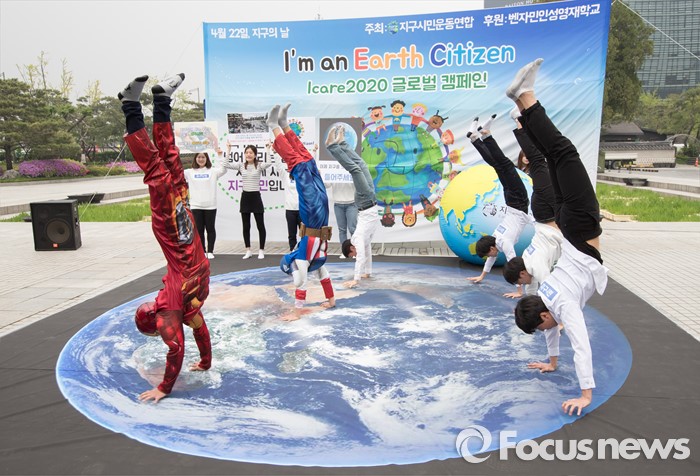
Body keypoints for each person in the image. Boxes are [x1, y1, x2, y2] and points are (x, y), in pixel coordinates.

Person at [508, 58, 608, 416]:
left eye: (543, 327)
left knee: (562, 153)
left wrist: (585, 395)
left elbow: (580, 346)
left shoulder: (559, 305)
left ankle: (526, 97)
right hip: (566, 226)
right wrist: (551, 362)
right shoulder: (544, 294)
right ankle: (521, 114)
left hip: (579, 228)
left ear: (543, 316)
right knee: (551, 159)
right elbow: (553, 331)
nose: (549, 330)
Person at [118, 73, 211, 403]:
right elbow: (199, 332)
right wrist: (206, 361)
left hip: (173, 234)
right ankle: (161, 99)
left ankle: (130, 106)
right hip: (186, 227)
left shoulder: (171, 305)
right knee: (172, 164)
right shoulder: (186, 310)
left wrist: (163, 388)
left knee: (157, 172)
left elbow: (175, 348)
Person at [268, 103, 336, 321]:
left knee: (298, 163)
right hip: (320, 216)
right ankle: (284, 125)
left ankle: (275, 126)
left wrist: (296, 312)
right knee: (309, 162)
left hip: (312, 213)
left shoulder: (301, 259)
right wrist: (331, 300)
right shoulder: (315, 260)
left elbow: (301, 283)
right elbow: (323, 277)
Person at [466, 114, 532, 294]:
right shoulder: (496, 237)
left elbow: (513, 263)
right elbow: (491, 260)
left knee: (505, 165)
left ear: (492, 248)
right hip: (512, 201)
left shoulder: (505, 243)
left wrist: (519, 291)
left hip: (518, 201)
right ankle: (475, 138)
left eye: (489, 253)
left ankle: (485, 136)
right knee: (499, 166)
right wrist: (482, 276)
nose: (490, 257)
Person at [502, 107, 564, 298]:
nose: (522, 285)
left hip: (548, 212)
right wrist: (526, 301)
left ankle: (520, 121)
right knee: (541, 162)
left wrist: (553, 315)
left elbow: (548, 289)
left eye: (520, 282)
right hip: (544, 214)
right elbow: (532, 287)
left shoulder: (535, 266)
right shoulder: (527, 261)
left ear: (522, 274)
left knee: (538, 161)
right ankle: (520, 121)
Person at [326, 125, 380, 288]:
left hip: (364, 201)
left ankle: (332, 147)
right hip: (371, 199)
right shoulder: (364, 239)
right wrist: (368, 272)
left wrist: (356, 279)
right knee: (361, 165)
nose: (355, 256)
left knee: (355, 170)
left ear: (351, 248)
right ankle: (342, 143)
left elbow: (361, 257)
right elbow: (367, 252)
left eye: (352, 255)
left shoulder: (356, 238)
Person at [224, 144, 273, 259]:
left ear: (255, 155)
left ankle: (261, 250)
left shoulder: (259, 165)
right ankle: (248, 250)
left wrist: (267, 149)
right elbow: (226, 165)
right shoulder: (241, 165)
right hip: (245, 197)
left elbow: (269, 163)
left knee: (260, 225)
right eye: (247, 152)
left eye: (251, 153)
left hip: (256, 197)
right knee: (246, 226)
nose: (248, 154)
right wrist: (229, 150)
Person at [184, 151, 227, 259]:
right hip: (196, 206)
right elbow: (175, 172)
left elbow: (223, 169)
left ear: (207, 159)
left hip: (210, 205)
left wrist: (220, 155)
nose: (201, 159)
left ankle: (210, 251)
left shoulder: (213, 171)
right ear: (195, 158)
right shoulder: (189, 172)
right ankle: (202, 251)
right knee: (199, 230)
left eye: (203, 157)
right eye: (199, 157)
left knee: (210, 229)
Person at [268, 141, 301, 251]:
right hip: (290, 210)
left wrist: (314, 153)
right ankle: (292, 251)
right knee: (292, 234)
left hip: (302, 210)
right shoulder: (286, 176)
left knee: (304, 234)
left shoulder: (303, 176)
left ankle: (303, 252)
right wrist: (274, 152)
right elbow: (278, 166)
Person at [327, 182, 358, 259]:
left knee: (353, 229)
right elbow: (327, 184)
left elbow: (357, 183)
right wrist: (321, 176)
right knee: (342, 229)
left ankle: (356, 250)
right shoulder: (333, 173)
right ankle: (344, 251)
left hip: (351, 202)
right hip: (338, 204)